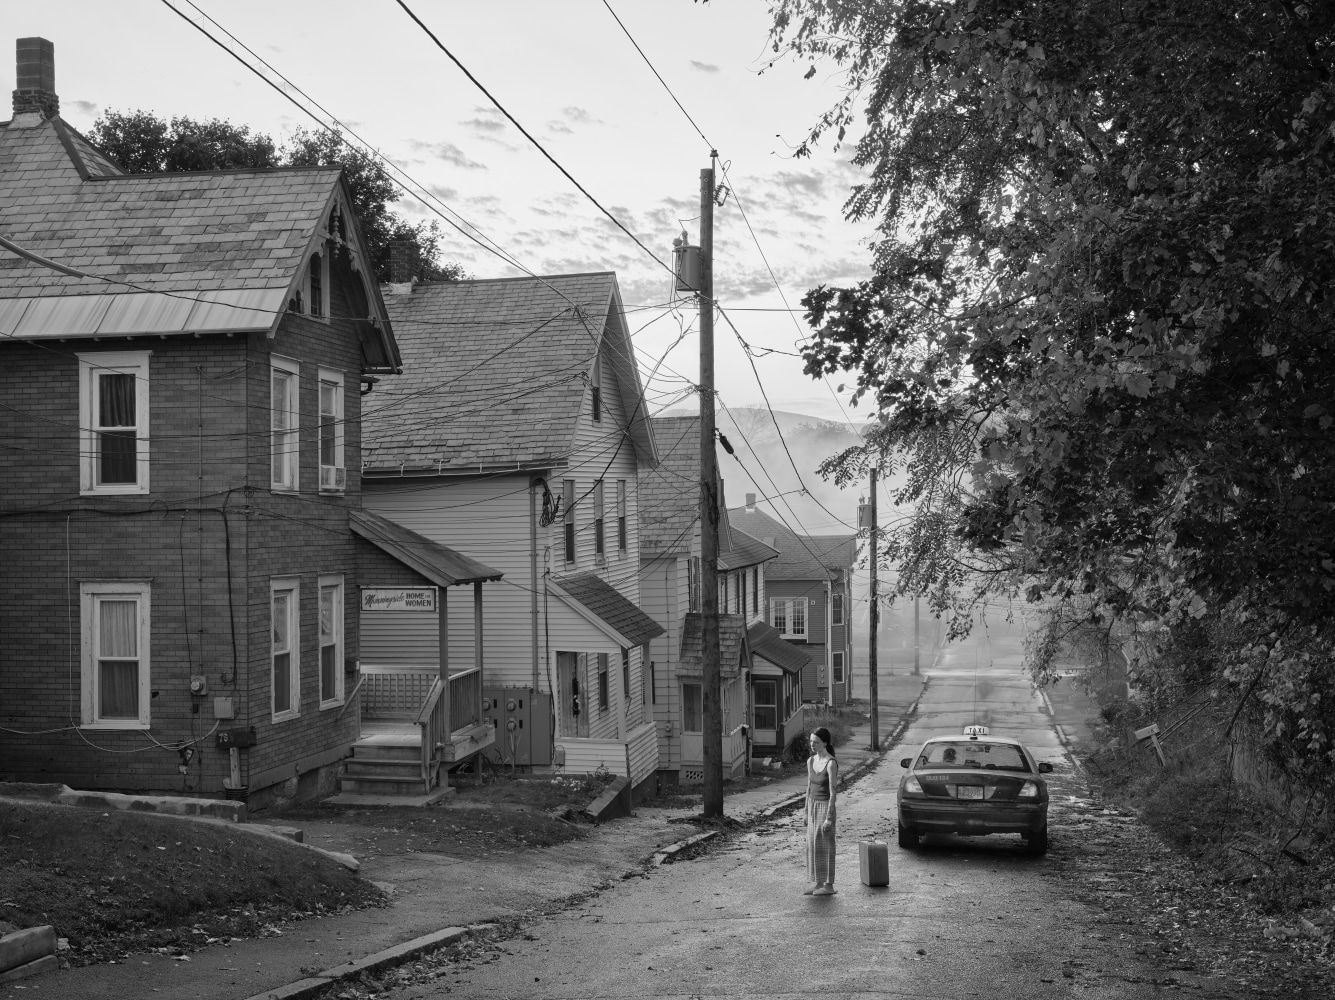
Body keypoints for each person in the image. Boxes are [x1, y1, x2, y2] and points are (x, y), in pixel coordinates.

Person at [804, 726, 839, 896]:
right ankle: (817, 883)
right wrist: (805, 812)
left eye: (816, 742)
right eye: (811, 742)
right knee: (813, 846)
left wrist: (829, 818)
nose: (812, 745)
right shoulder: (810, 761)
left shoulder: (831, 763)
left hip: (825, 806)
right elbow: (809, 787)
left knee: (826, 846)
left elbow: (833, 792)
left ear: (824, 743)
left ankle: (829, 885)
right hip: (812, 806)